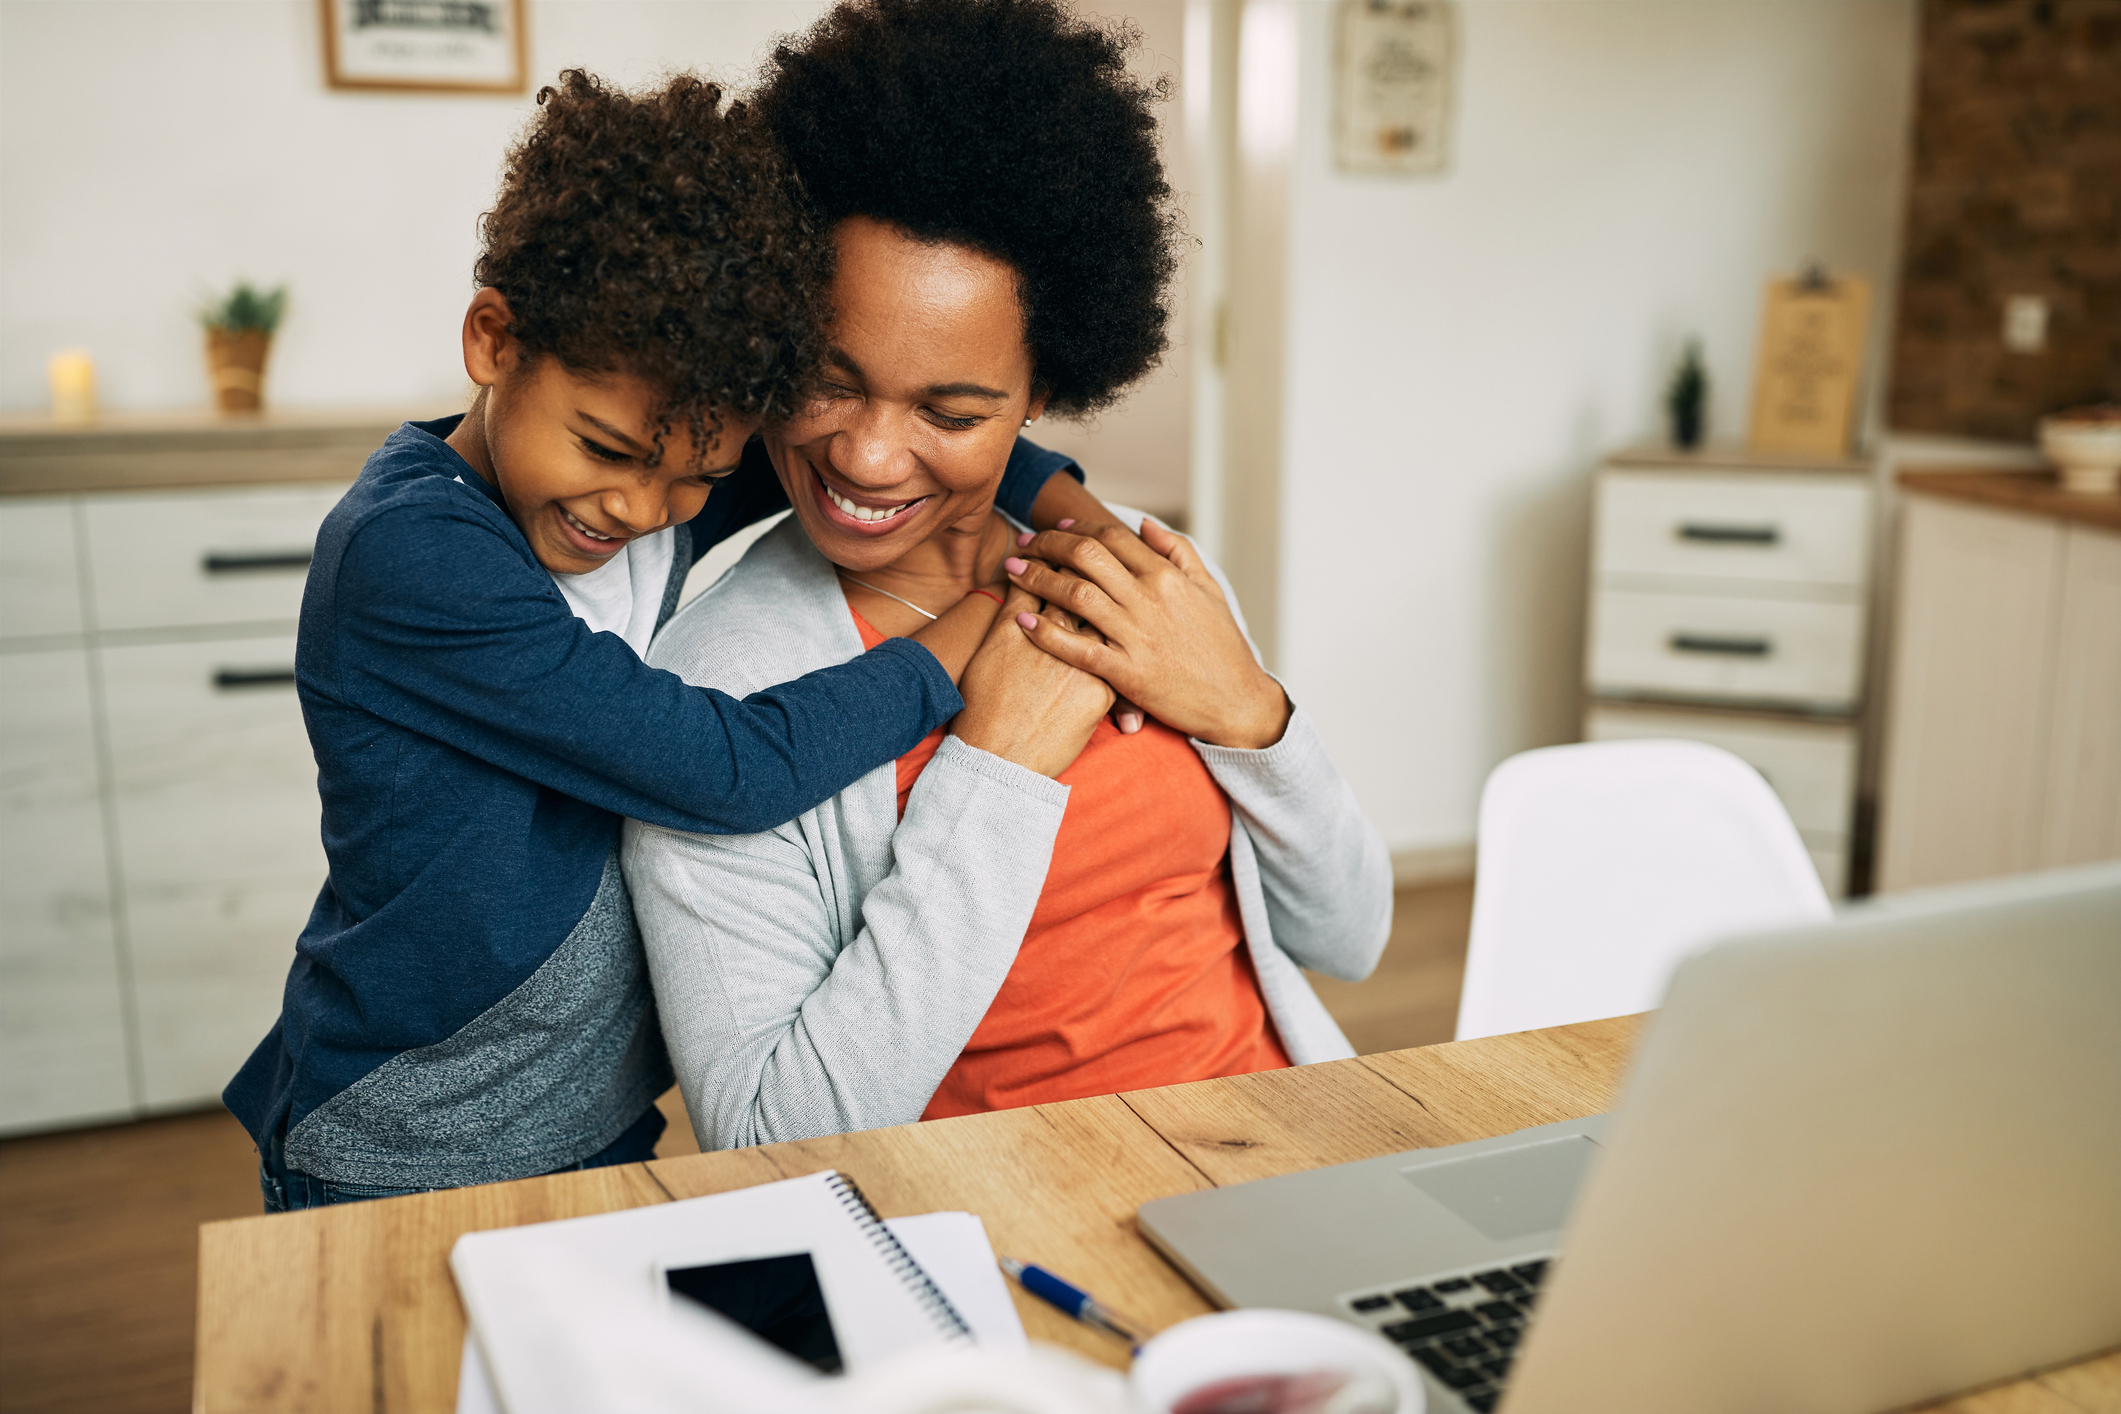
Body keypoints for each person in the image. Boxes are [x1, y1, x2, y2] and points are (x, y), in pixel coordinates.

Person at [226, 70, 1097, 1209]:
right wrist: (974, 633)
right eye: (606, 448)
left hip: (598, 1123)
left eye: (701, 475)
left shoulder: (660, 454)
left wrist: (1075, 517)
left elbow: (865, 458)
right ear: (494, 339)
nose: (640, 510)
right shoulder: (415, 555)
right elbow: (724, 768)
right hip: (407, 1142)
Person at [623, 0, 1392, 1152]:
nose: (868, 457)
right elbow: (763, 1132)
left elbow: (1352, 935)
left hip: (1298, 1157)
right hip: (1012, 1237)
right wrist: (996, 767)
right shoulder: (719, 693)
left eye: (951, 409)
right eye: (827, 381)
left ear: (1040, 396)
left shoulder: (1142, 574)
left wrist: (1246, 709)